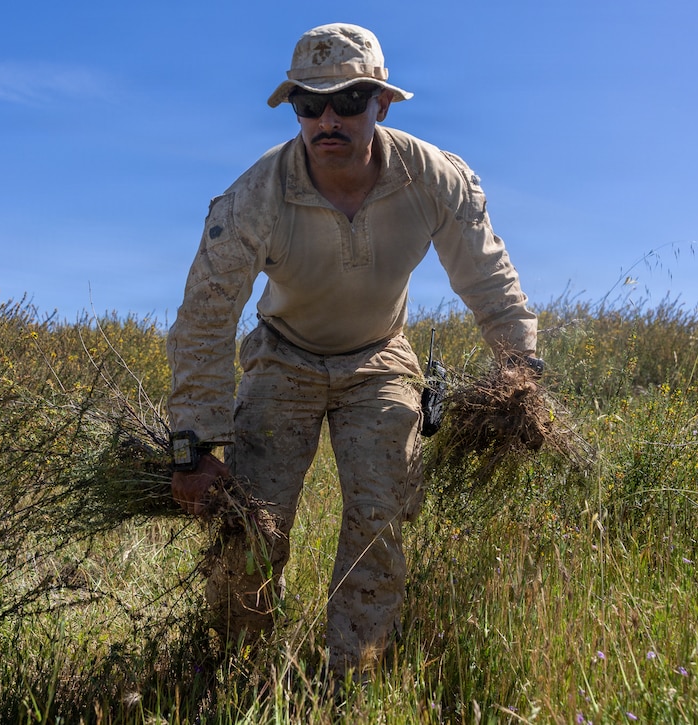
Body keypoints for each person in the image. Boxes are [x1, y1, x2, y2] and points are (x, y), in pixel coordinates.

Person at [165, 22, 542, 677]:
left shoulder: (437, 179)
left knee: (381, 518)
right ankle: (241, 675)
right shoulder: (255, 195)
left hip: (380, 360)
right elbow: (205, 313)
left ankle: (353, 676)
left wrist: (522, 373)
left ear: (382, 103)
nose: (328, 118)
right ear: (294, 110)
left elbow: (490, 278)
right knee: (250, 528)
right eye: (310, 104)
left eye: (348, 100)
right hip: (282, 358)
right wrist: (192, 445)